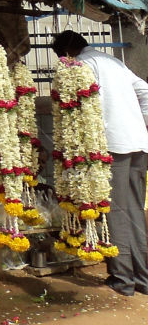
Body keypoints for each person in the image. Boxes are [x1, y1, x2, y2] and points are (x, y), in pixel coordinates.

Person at [53, 30, 148, 296]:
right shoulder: (112, 62)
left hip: (110, 148)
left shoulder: (81, 66)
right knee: (134, 210)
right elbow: (145, 91)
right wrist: (143, 125)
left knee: (116, 212)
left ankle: (123, 280)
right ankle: (143, 278)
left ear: (66, 54)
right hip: (139, 143)